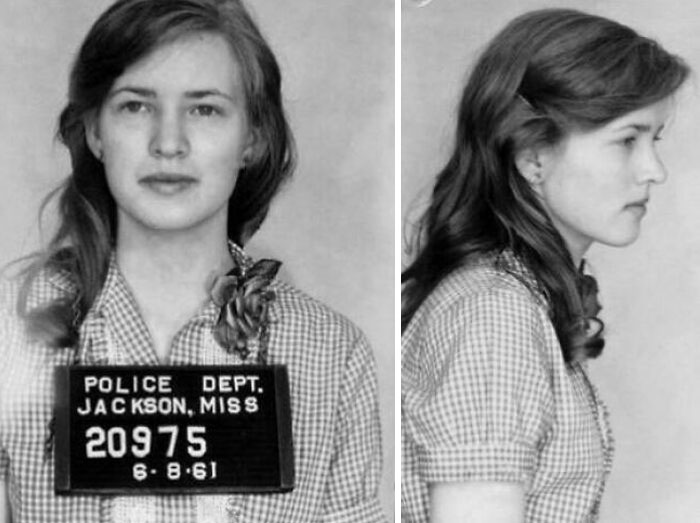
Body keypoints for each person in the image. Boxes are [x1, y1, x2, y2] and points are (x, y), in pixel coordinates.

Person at [0, 0, 386, 521]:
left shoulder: (331, 353)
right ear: (94, 131)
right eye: (136, 105)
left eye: (204, 108)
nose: (169, 143)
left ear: (251, 137)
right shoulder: (10, 328)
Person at [401, 8, 689, 523]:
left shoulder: (513, 299)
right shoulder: (494, 314)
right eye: (628, 140)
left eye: (655, 140)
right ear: (533, 156)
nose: (654, 171)